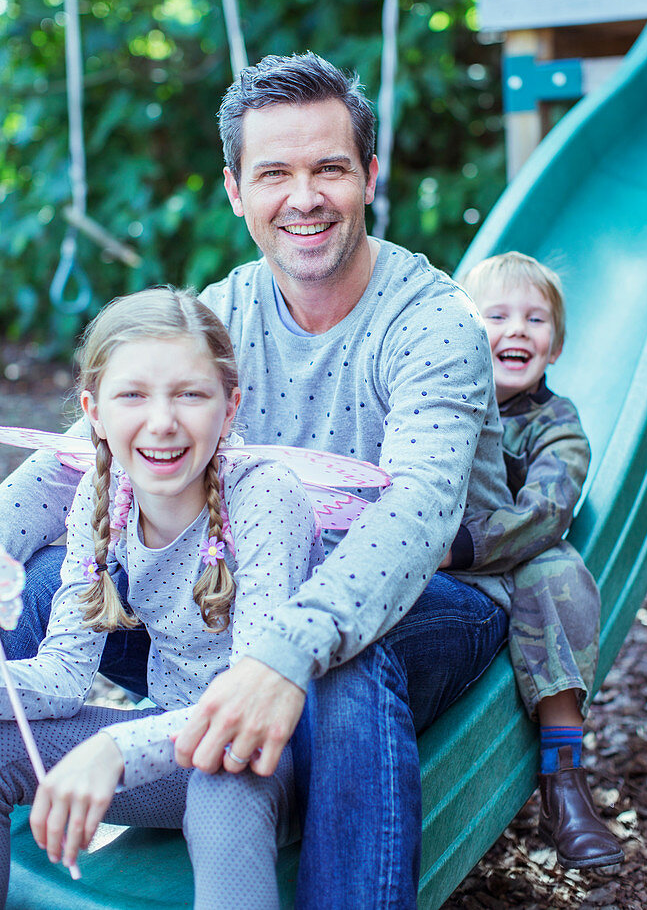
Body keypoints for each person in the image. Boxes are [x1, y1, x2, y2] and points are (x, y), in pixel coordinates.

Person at [0, 52, 513, 907]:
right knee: (48, 580)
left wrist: (279, 658)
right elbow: (83, 458)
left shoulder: (432, 323)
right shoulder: (226, 309)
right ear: (237, 190)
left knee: (345, 662)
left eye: (329, 170)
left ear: (369, 178)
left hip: (430, 601)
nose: (303, 197)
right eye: (274, 173)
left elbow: (417, 522)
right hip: (247, 593)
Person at [0, 286, 320, 909]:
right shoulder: (103, 498)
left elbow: (249, 706)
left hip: (272, 752)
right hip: (176, 749)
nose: (163, 421)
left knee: (222, 785)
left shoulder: (266, 496)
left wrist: (113, 750)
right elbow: (65, 676)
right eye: (133, 395)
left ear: (228, 410)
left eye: (190, 394)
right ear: (93, 410)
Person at [457, 252, 624, 869]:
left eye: (535, 319)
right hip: (438, 569)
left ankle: (564, 778)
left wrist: (465, 549)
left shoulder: (558, 424)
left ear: (554, 347)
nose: (517, 329)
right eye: (496, 315)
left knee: (557, 567)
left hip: (507, 562)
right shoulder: (443, 402)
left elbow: (549, 509)